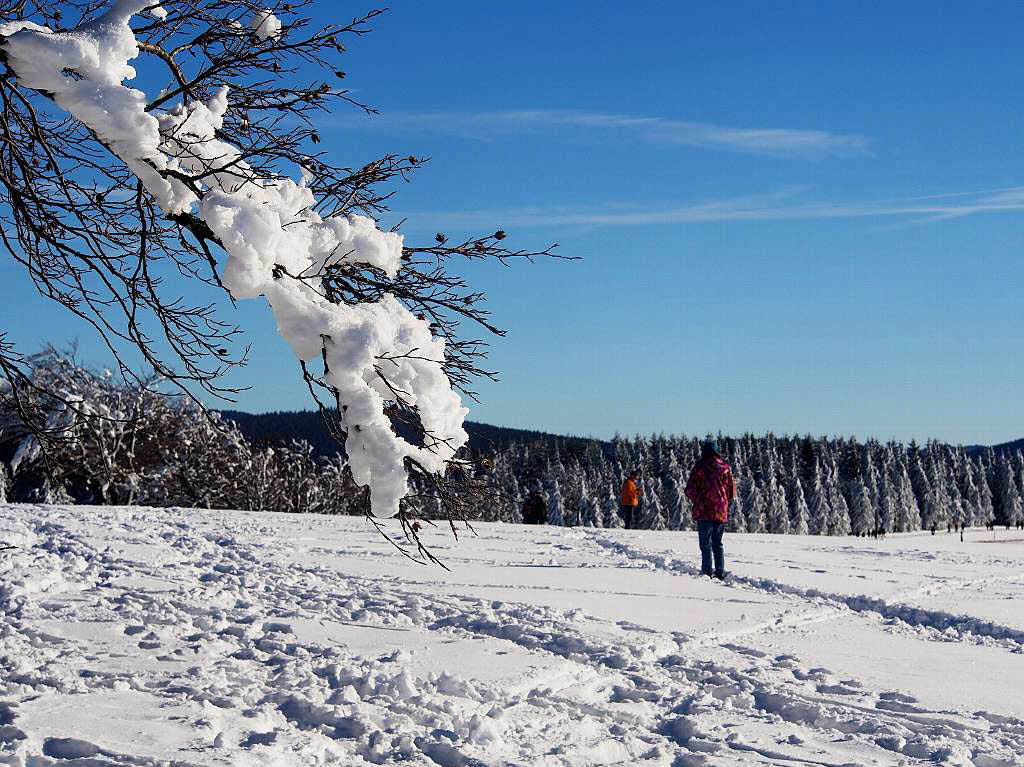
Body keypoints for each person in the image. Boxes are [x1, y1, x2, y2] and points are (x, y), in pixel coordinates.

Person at [685, 441, 736, 579]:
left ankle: (707, 571)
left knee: (705, 543)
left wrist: (698, 499)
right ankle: (720, 571)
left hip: (704, 510)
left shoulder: (699, 467)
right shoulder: (725, 467)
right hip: (720, 510)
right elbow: (732, 491)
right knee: (717, 543)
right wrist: (723, 501)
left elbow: (689, 489)